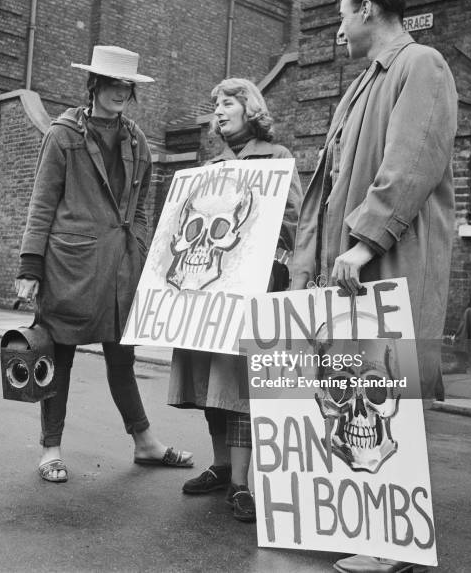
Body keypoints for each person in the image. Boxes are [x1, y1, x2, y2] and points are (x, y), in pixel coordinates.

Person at [289, 0, 457, 573]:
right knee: (358, 390)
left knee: (391, 389)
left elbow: (412, 161)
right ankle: (366, 522)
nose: (336, 29)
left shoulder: (423, 65)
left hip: (389, 259)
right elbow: (327, 186)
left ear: (366, 9)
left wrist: (362, 242)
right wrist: (307, 263)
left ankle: (394, 545)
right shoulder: (359, 87)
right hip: (351, 269)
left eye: (341, 15)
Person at [16, 45, 192, 483]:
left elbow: (145, 207)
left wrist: (143, 249)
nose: (119, 91)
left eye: (126, 85)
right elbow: (42, 205)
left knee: (121, 358)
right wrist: (29, 268)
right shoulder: (62, 135)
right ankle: (50, 449)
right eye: (112, 83)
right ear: (94, 85)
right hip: (69, 266)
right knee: (60, 355)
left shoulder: (137, 140)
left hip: (122, 267)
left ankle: (145, 443)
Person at [168, 78, 302, 522]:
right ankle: (222, 466)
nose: (219, 111)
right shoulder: (210, 166)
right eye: (216, 106)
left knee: (241, 385)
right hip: (210, 294)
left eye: (228, 103)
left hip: (256, 289)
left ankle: (242, 484)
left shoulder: (278, 158)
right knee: (211, 381)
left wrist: (266, 239)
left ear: (250, 108)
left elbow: (296, 221)